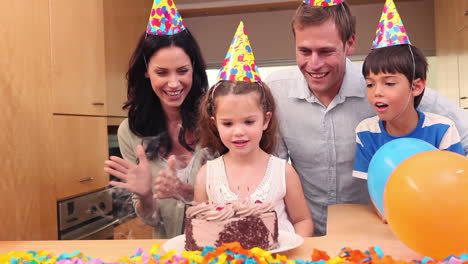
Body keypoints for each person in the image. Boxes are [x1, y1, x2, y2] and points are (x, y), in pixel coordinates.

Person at [265, 0, 468, 236]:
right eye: (304, 51)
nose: (314, 63)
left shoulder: (384, 87)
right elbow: (270, 169)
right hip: (307, 234)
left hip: (375, 234)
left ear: (350, 43)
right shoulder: (276, 91)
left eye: (326, 51)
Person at [194, 22, 314, 237]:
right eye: (228, 123)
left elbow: (303, 220)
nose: (238, 131)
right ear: (214, 123)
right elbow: (201, 230)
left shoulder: (283, 172)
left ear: (265, 120)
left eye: (249, 122)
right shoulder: (206, 175)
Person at [104, 0, 209, 238]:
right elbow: (151, 220)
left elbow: (239, 197)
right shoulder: (130, 131)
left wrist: (188, 192)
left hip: (219, 251)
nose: (174, 83)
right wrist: (144, 196)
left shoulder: (217, 122)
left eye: (182, 71)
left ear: (194, 68)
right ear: (146, 71)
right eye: (162, 72)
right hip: (168, 253)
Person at [352, 0, 465, 182]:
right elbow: (373, 190)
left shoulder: (442, 129)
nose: (377, 92)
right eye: (370, 84)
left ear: (417, 87)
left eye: (389, 83)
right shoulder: (366, 132)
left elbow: (457, 182)